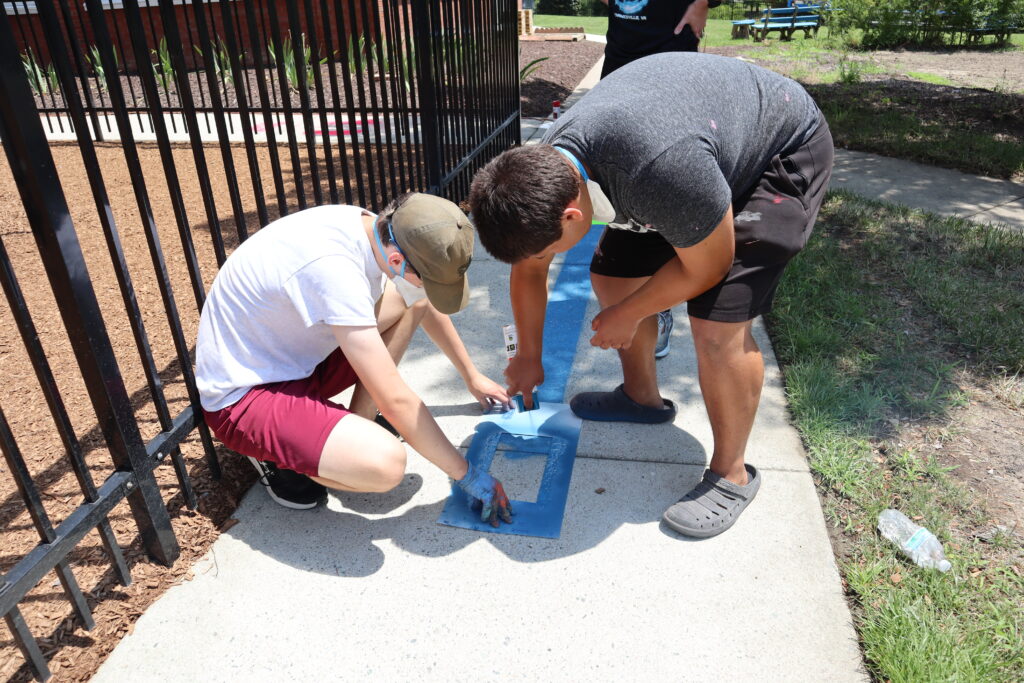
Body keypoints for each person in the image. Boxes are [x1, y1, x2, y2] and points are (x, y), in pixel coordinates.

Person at [468, 53, 833, 538]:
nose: (541, 262)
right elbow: (528, 270)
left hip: (777, 150)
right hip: (686, 150)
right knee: (614, 278)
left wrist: (632, 313)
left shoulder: (661, 173)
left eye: (548, 251)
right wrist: (529, 357)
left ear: (573, 216)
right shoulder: (542, 171)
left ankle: (732, 474)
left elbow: (710, 265)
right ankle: (641, 399)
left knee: (717, 326)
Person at [196, 193, 513, 526]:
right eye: (428, 279)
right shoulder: (335, 272)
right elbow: (396, 401)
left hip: (292, 357)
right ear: (396, 262)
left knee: (411, 299)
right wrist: (468, 475)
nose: (430, 289)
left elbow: (422, 300)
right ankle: (278, 457)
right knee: (384, 464)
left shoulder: (376, 228)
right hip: (247, 397)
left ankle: (350, 428)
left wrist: (471, 375)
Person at [600, 0, 723, 358]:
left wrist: (701, 3)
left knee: (668, 164)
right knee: (619, 156)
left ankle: (660, 305)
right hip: (621, 53)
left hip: (671, 48)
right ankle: (635, 265)